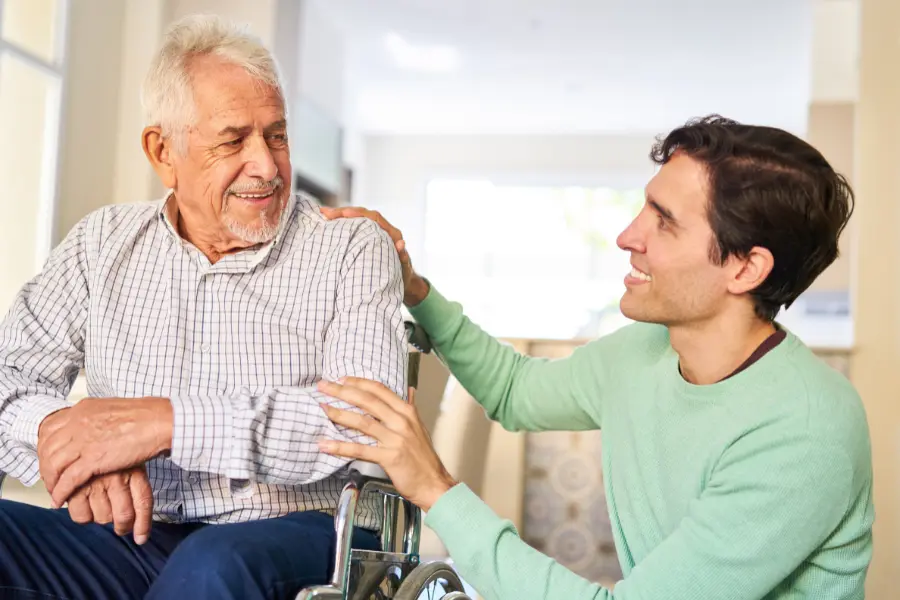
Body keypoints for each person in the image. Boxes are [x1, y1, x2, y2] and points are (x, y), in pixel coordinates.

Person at [317, 116, 874, 600]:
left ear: (746, 268)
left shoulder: (803, 431)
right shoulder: (645, 350)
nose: (627, 236)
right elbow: (514, 391)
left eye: (664, 221)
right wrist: (416, 289)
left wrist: (436, 489)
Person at [0, 14, 406, 600]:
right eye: (233, 141)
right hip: (134, 534)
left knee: (214, 565)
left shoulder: (350, 247)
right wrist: (68, 443)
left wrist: (163, 423)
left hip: (296, 528)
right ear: (163, 151)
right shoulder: (101, 243)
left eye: (276, 135)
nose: (266, 165)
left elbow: (360, 421)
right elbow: (9, 376)